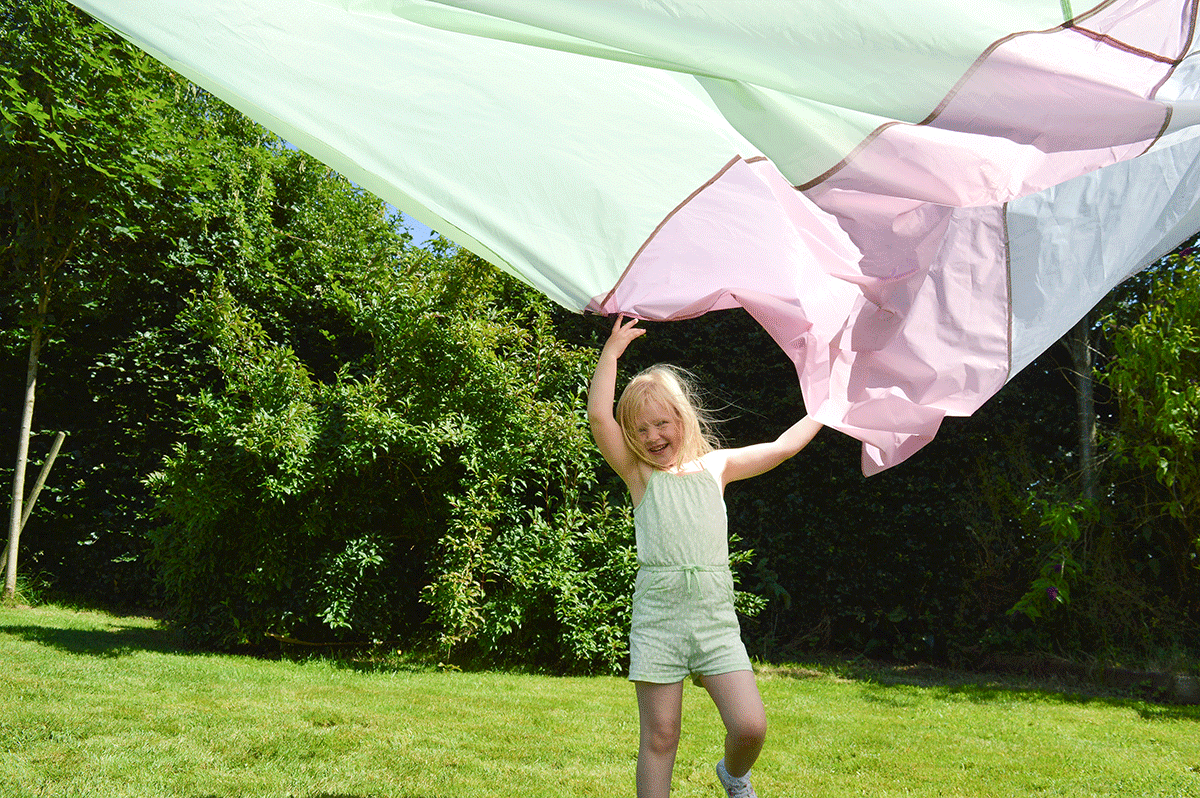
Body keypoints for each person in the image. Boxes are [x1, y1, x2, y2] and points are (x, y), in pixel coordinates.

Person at [587, 315, 823, 798]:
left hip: (714, 620)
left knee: (751, 726)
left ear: (682, 418)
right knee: (660, 736)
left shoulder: (716, 466)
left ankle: (733, 775)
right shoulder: (638, 476)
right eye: (641, 429)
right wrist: (610, 355)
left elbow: (781, 448)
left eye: (661, 423)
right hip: (659, 619)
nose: (653, 436)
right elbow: (598, 419)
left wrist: (828, 408)